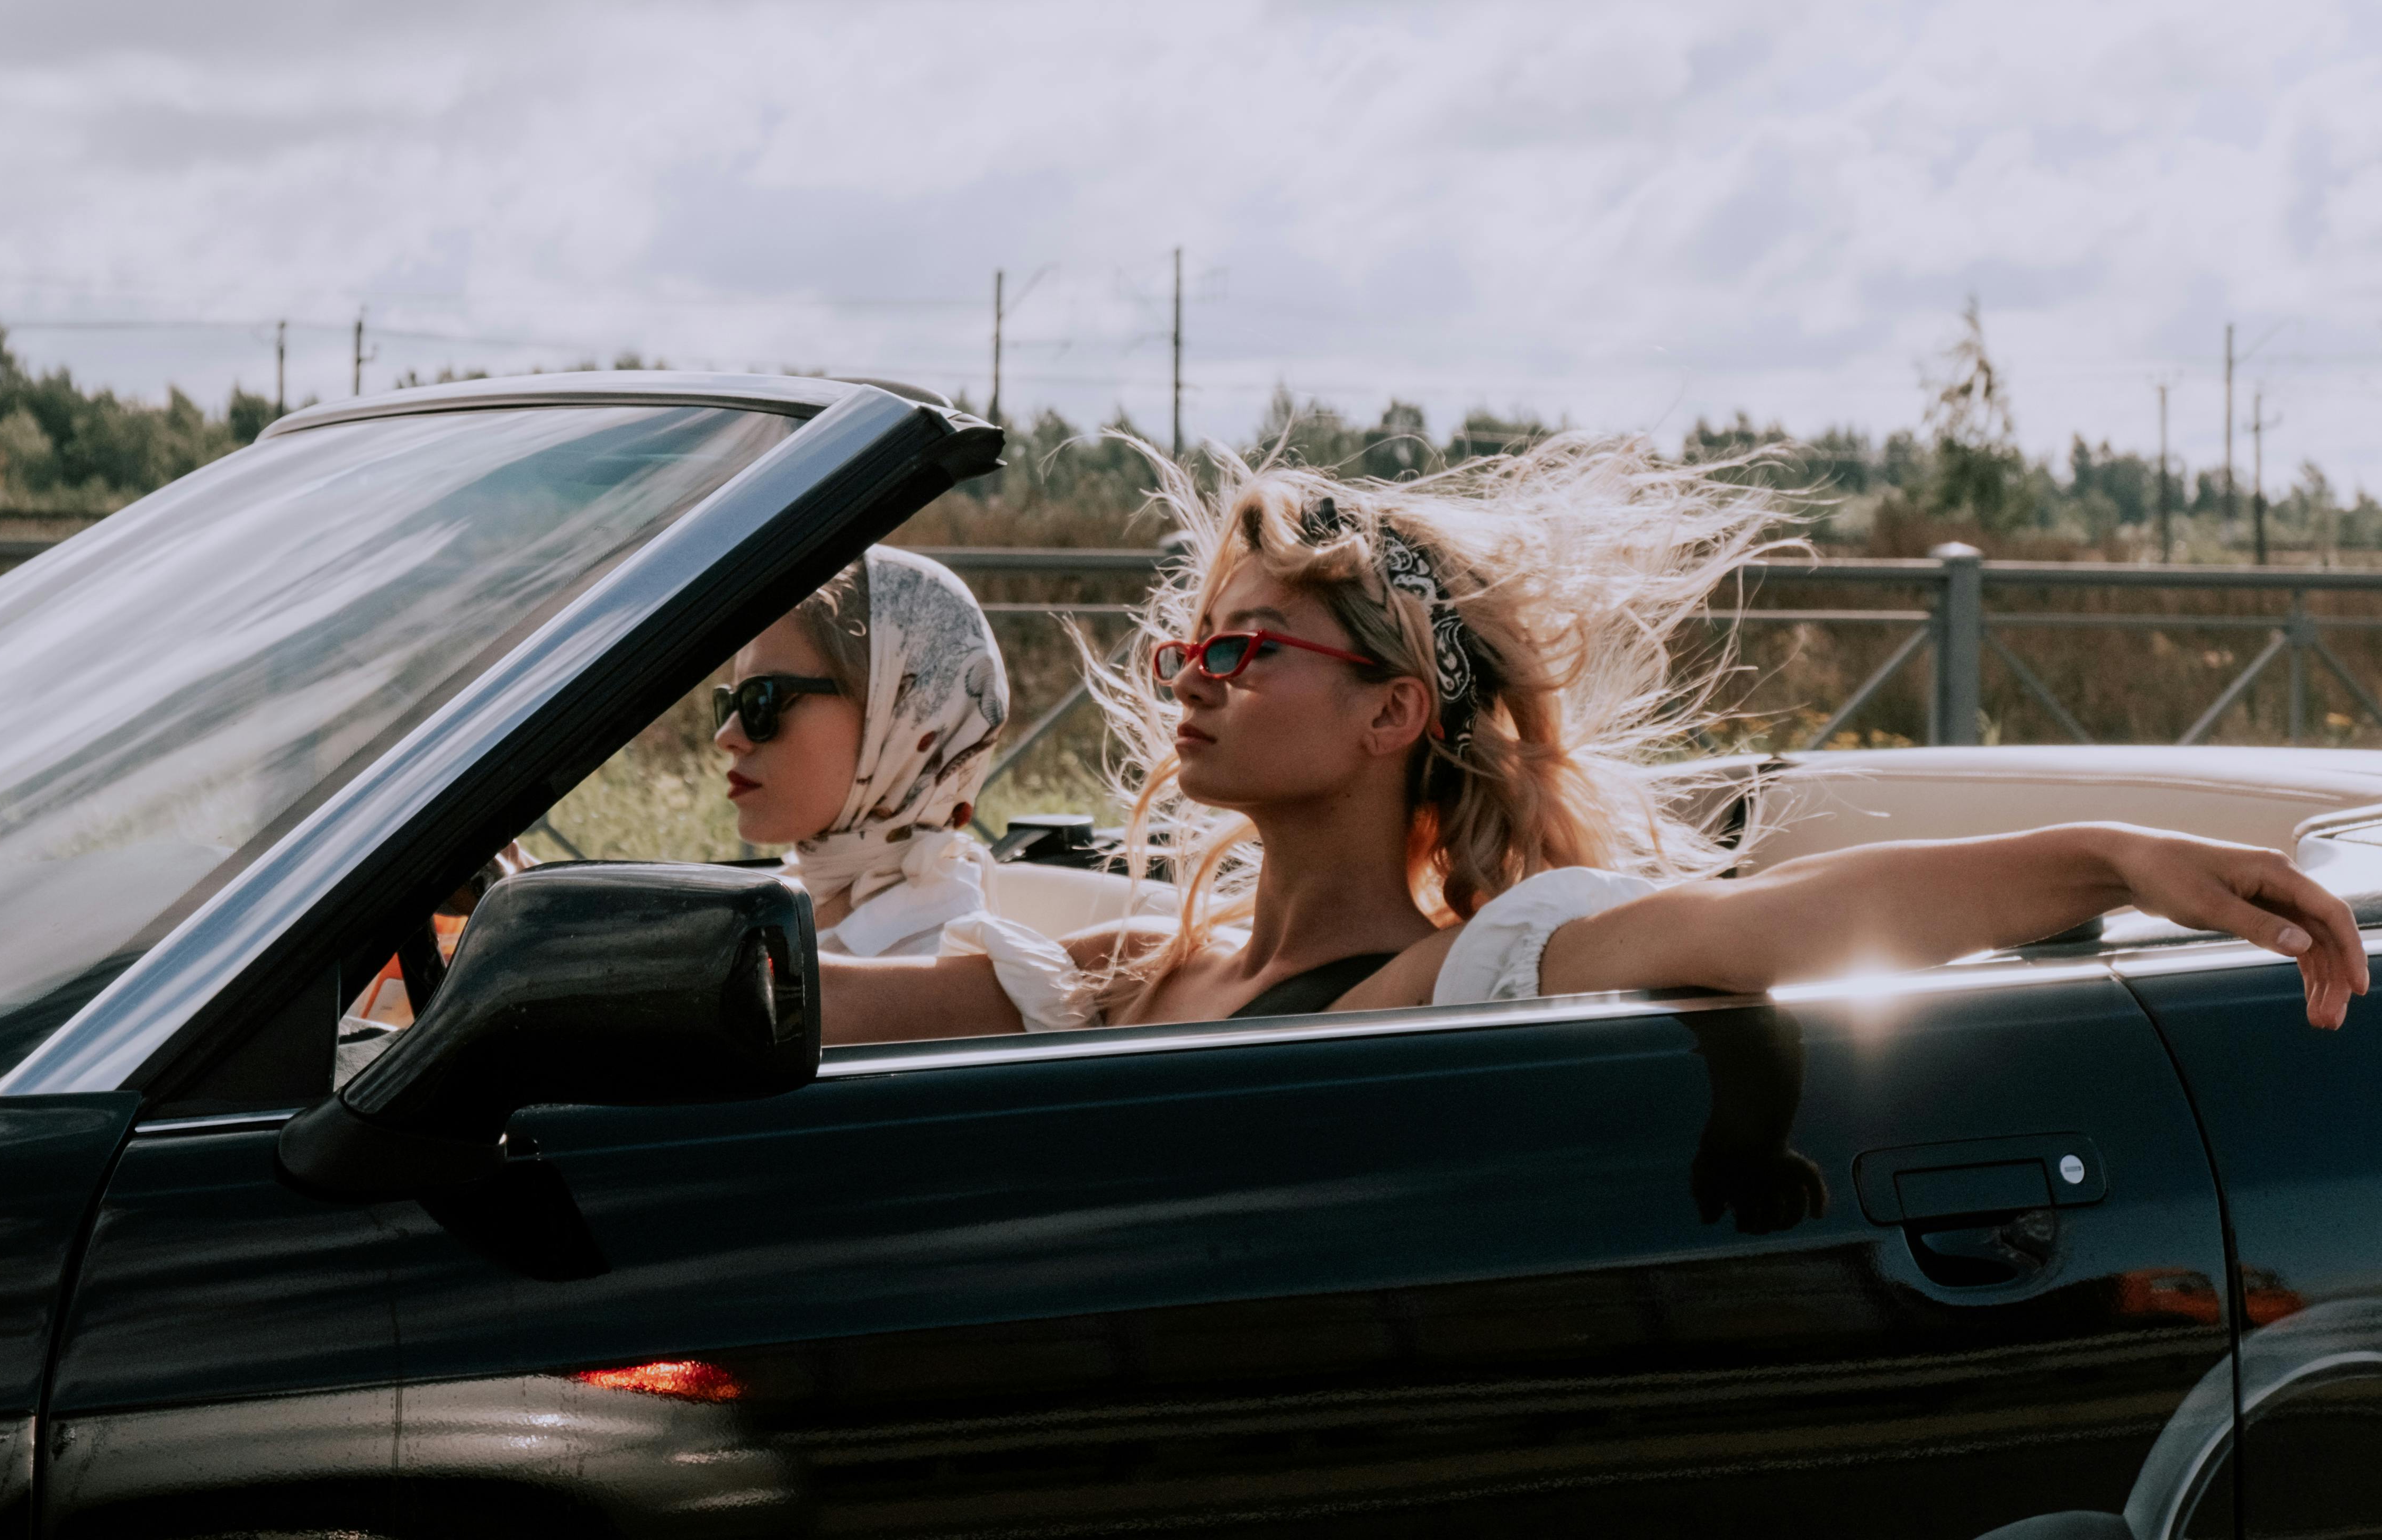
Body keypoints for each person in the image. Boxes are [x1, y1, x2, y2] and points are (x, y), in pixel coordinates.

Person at [822, 438, 2368, 1043]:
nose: (1192, 677)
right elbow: (810, 1006)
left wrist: (2106, 856)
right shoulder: (1116, 971)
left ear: (1389, 713)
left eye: (1246, 647)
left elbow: (1775, 924)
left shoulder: (1469, 967)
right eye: (1189, 645)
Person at [714, 546, 1009, 958]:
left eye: (762, 699)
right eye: (730, 703)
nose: (727, 736)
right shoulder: (793, 901)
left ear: (898, 714)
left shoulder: (940, 959)